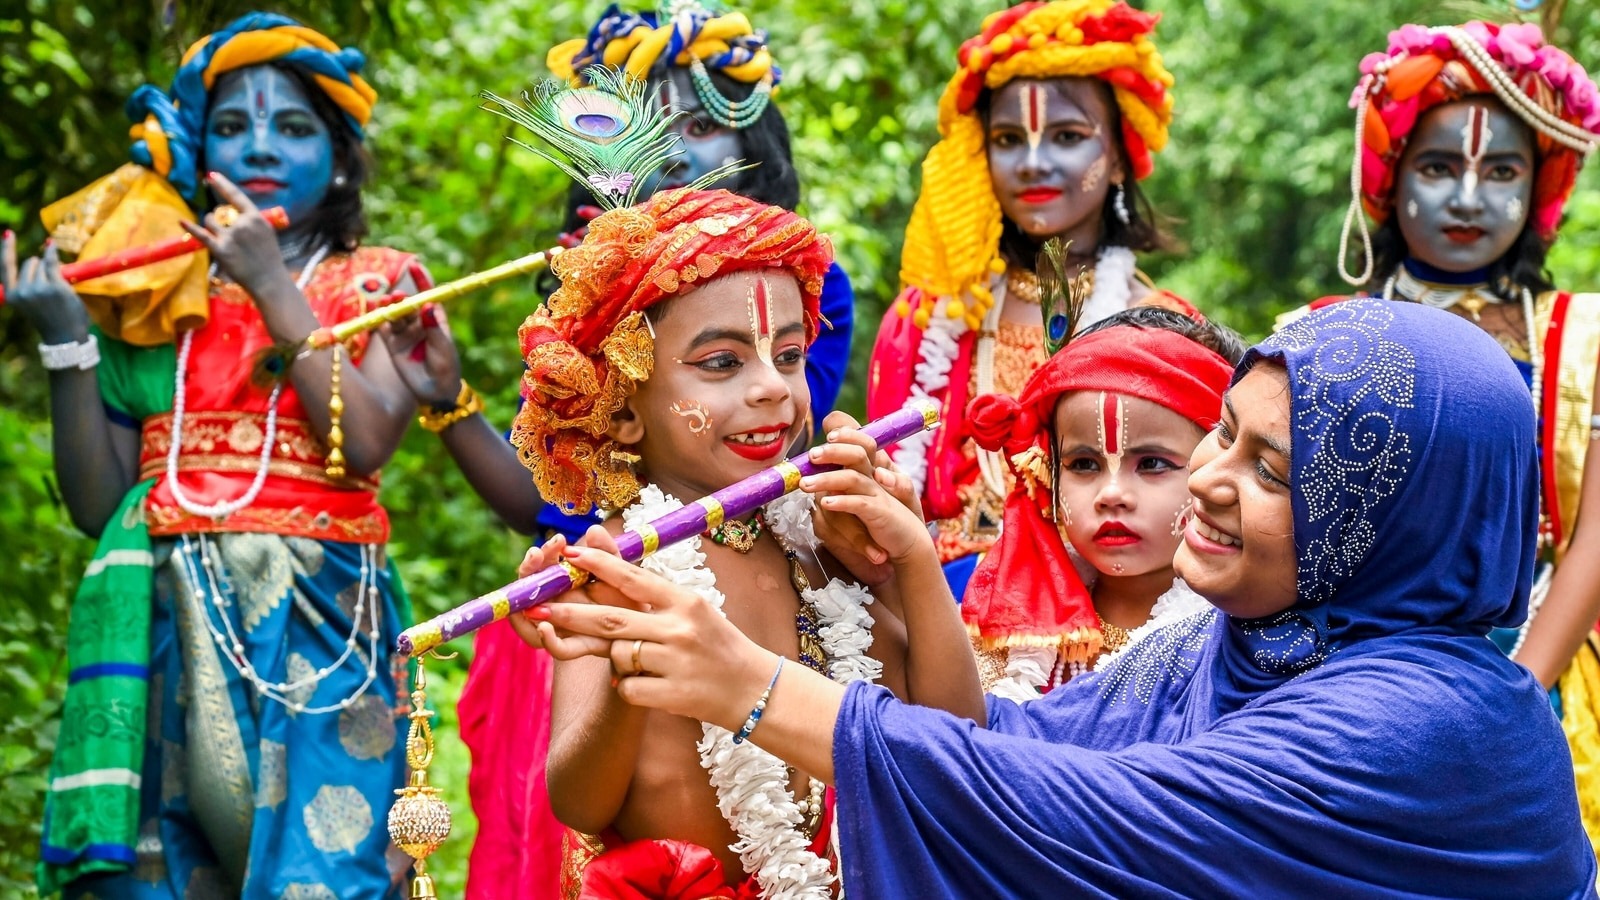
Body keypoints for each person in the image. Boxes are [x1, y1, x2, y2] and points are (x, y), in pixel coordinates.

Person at [523, 300, 1598, 894]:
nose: (1210, 482)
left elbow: (1084, 815)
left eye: (1274, 471)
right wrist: (896, 562)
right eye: (1224, 432)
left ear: (1395, 523)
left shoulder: (1436, 723)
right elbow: (1015, 740)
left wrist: (750, 687)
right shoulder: (1233, 648)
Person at [374, 7, 859, 898]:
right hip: (588, 617)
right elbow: (544, 505)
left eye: (705, 125)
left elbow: (741, 453)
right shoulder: (588, 306)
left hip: (749, 598)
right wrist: (449, 403)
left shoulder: (790, 290)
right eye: (654, 127)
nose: (675, 150)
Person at [4, 13, 425, 897]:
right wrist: (67, 345)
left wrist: (273, 283)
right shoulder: (150, 299)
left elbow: (368, 443)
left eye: (294, 127)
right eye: (231, 127)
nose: (260, 145)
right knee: (165, 872)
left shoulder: (378, 278)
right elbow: (97, 506)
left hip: (324, 622)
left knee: (326, 874)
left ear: (343, 157)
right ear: (199, 158)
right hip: (162, 612)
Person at [500, 186, 977, 897]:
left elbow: (954, 734)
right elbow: (578, 803)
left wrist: (906, 559)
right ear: (624, 410)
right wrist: (631, 671)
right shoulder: (618, 562)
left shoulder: (817, 540)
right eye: (723, 363)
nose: (773, 390)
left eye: (788, 357)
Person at [1282, 20, 1600, 848]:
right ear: (1388, 182)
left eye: (1501, 171)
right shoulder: (1323, 334)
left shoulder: (1588, 338)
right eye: (1437, 166)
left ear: (1540, 190)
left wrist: (1519, 694)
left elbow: (1595, 538)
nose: (1467, 197)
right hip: (1347, 685)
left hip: (1548, 680)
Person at [866, 0, 1189, 599]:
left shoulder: (1165, 331)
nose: (1034, 163)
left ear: (1119, 154)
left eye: (1067, 136)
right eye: (1009, 138)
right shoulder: (928, 319)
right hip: (931, 610)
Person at [962, 307, 1243, 697]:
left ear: (1219, 468)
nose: (1112, 494)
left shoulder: (1246, 633)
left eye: (1152, 464)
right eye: (1083, 464)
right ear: (1047, 472)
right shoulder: (1006, 622)